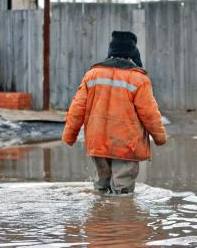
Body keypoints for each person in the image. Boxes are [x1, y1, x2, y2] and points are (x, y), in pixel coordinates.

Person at [62, 31, 167, 194]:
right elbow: (150, 113)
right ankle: (121, 217)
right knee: (122, 190)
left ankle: (99, 217)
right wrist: (160, 138)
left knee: (101, 187)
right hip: (126, 146)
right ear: (131, 53)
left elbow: (77, 109)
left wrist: (69, 135)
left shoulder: (92, 75)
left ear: (111, 52)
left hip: (98, 143)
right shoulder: (138, 79)